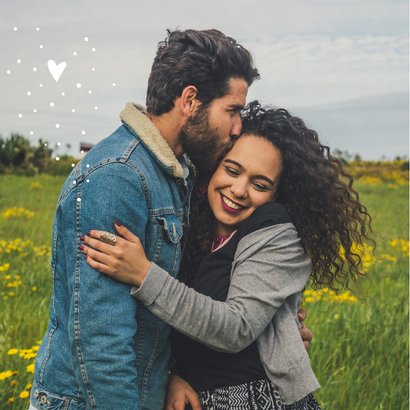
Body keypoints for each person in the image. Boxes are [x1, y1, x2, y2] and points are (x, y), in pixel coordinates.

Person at [80, 102, 373, 409]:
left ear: (276, 194)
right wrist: (174, 375)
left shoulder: (277, 233)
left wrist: (143, 274)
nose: (239, 189)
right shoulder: (189, 227)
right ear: (213, 168)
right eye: (232, 170)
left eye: (260, 184)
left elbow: (235, 328)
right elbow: (177, 321)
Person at [29, 29, 262, 410]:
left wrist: (172, 373)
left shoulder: (174, 170)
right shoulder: (118, 177)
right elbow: (100, 340)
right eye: (232, 110)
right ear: (190, 100)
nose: (237, 127)